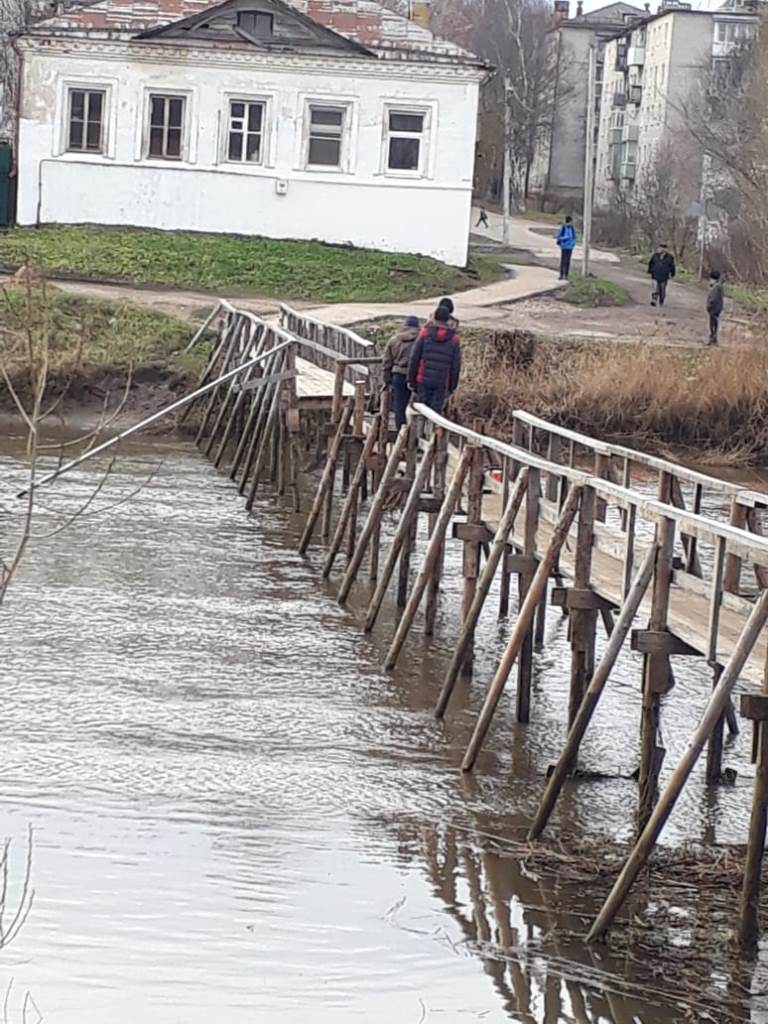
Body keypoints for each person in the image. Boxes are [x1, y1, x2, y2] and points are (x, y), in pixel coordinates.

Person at [407, 306, 461, 415]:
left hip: (423, 379)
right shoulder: (454, 339)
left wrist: (411, 380)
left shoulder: (425, 333)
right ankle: (431, 431)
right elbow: (456, 366)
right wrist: (452, 387)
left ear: (434, 317)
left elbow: (414, 358)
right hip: (441, 382)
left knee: (420, 412)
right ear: (447, 319)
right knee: (435, 414)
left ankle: (420, 432)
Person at [382, 315, 420, 429]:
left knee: (400, 405)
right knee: (417, 405)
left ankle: (401, 430)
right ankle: (415, 431)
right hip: (416, 376)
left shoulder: (394, 340)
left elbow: (387, 362)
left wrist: (387, 380)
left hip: (398, 375)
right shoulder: (421, 340)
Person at [556, 215, 577, 280]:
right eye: (571, 222)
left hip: (570, 247)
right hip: (564, 247)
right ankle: (561, 275)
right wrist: (565, 239)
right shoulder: (563, 228)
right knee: (563, 261)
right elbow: (559, 237)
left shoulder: (572, 229)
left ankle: (566, 275)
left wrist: (573, 244)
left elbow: (574, 237)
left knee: (568, 261)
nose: (571, 223)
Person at [706, 270, 724, 345]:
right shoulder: (719, 286)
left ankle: (713, 338)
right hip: (718, 307)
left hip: (714, 308)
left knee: (712, 324)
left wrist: (709, 305)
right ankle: (713, 338)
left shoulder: (715, 288)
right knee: (714, 323)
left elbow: (713, 298)